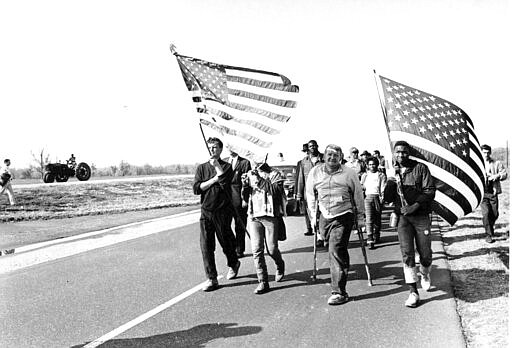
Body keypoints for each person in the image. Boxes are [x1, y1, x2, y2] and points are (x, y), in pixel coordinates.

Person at [306, 144, 365, 305]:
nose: (332, 158)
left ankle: (339, 292)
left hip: (344, 214)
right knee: (329, 244)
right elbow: (311, 195)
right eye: (329, 155)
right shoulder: (315, 172)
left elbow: (358, 195)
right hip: (325, 215)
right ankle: (340, 270)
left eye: (336, 156)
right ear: (324, 156)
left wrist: (360, 218)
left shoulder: (349, 173)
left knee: (336, 248)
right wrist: (313, 217)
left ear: (341, 158)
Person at [383, 141, 436, 308]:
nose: (401, 155)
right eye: (397, 152)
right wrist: (391, 179)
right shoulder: (393, 171)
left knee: (425, 253)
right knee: (407, 254)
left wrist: (414, 206)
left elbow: (430, 191)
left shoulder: (421, 168)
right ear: (394, 154)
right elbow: (388, 198)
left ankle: (425, 273)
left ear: (409, 153)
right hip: (403, 219)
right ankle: (413, 292)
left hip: (420, 216)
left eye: (404, 152)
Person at [193, 137, 240, 292]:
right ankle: (211, 278)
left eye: (215, 147)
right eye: (210, 147)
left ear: (220, 149)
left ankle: (233, 263)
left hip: (222, 211)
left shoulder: (227, 166)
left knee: (226, 242)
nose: (212, 150)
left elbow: (224, 182)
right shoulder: (201, 168)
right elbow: (197, 188)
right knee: (206, 246)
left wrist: (217, 169)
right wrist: (212, 180)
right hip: (206, 211)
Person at [242, 162, 286, 294]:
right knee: (256, 249)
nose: (255, 162)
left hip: (270, 216)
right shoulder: (250, 173)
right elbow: (244, 197)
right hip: (254, 216)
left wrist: (259, 179)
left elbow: (275, 192)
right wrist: (244, 186)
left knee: (272, 249)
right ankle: (263, 281)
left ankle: (279, 264)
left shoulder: (275, 174)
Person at [296, 140, 324, 240]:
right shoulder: (304, 161)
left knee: (323, 213)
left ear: (317, 146)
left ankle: (324, 234)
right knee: (313, 214)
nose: (312, 147)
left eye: (314, 145)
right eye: (310, 146)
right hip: (309, 192)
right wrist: (299, 193)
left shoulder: (324, 158)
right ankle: (318, 236)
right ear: (308, 148)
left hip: (322, 190)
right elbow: (300, 179)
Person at [480, 144, 507, 243]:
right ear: (481, 153)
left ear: (490, 153)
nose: (486, 154)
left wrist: (496, 176)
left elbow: (504, 174)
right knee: (486, 214)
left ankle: (490, 227)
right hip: (483, 192)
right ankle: (488, 234)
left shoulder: (496, 163)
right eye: (484, 152)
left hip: (493, 192)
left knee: (494, 214)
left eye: (487, 152)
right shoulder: (479, 164)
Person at [227, 150, 252, 257]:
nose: (230, 150)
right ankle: (231, 248)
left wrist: (245, 200)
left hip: (239, 199)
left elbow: (247, 184)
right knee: (225, 226)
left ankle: (239, 249)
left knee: (240, 225)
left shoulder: (245, 163)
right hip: (226, 200)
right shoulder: (223, 162)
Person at [361, 157, 387, 249]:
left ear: (377, 165)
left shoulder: (381, 175)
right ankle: (370, 238)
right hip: (368, 198)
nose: (372, 166)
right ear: (367, 166)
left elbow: (383, 187)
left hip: (377, 197)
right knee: (369, 218)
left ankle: (376, 234)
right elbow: (362, 186)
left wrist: (382, 198)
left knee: (377, 219)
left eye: (374, 164)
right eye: (370, 164)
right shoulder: (365, 175)